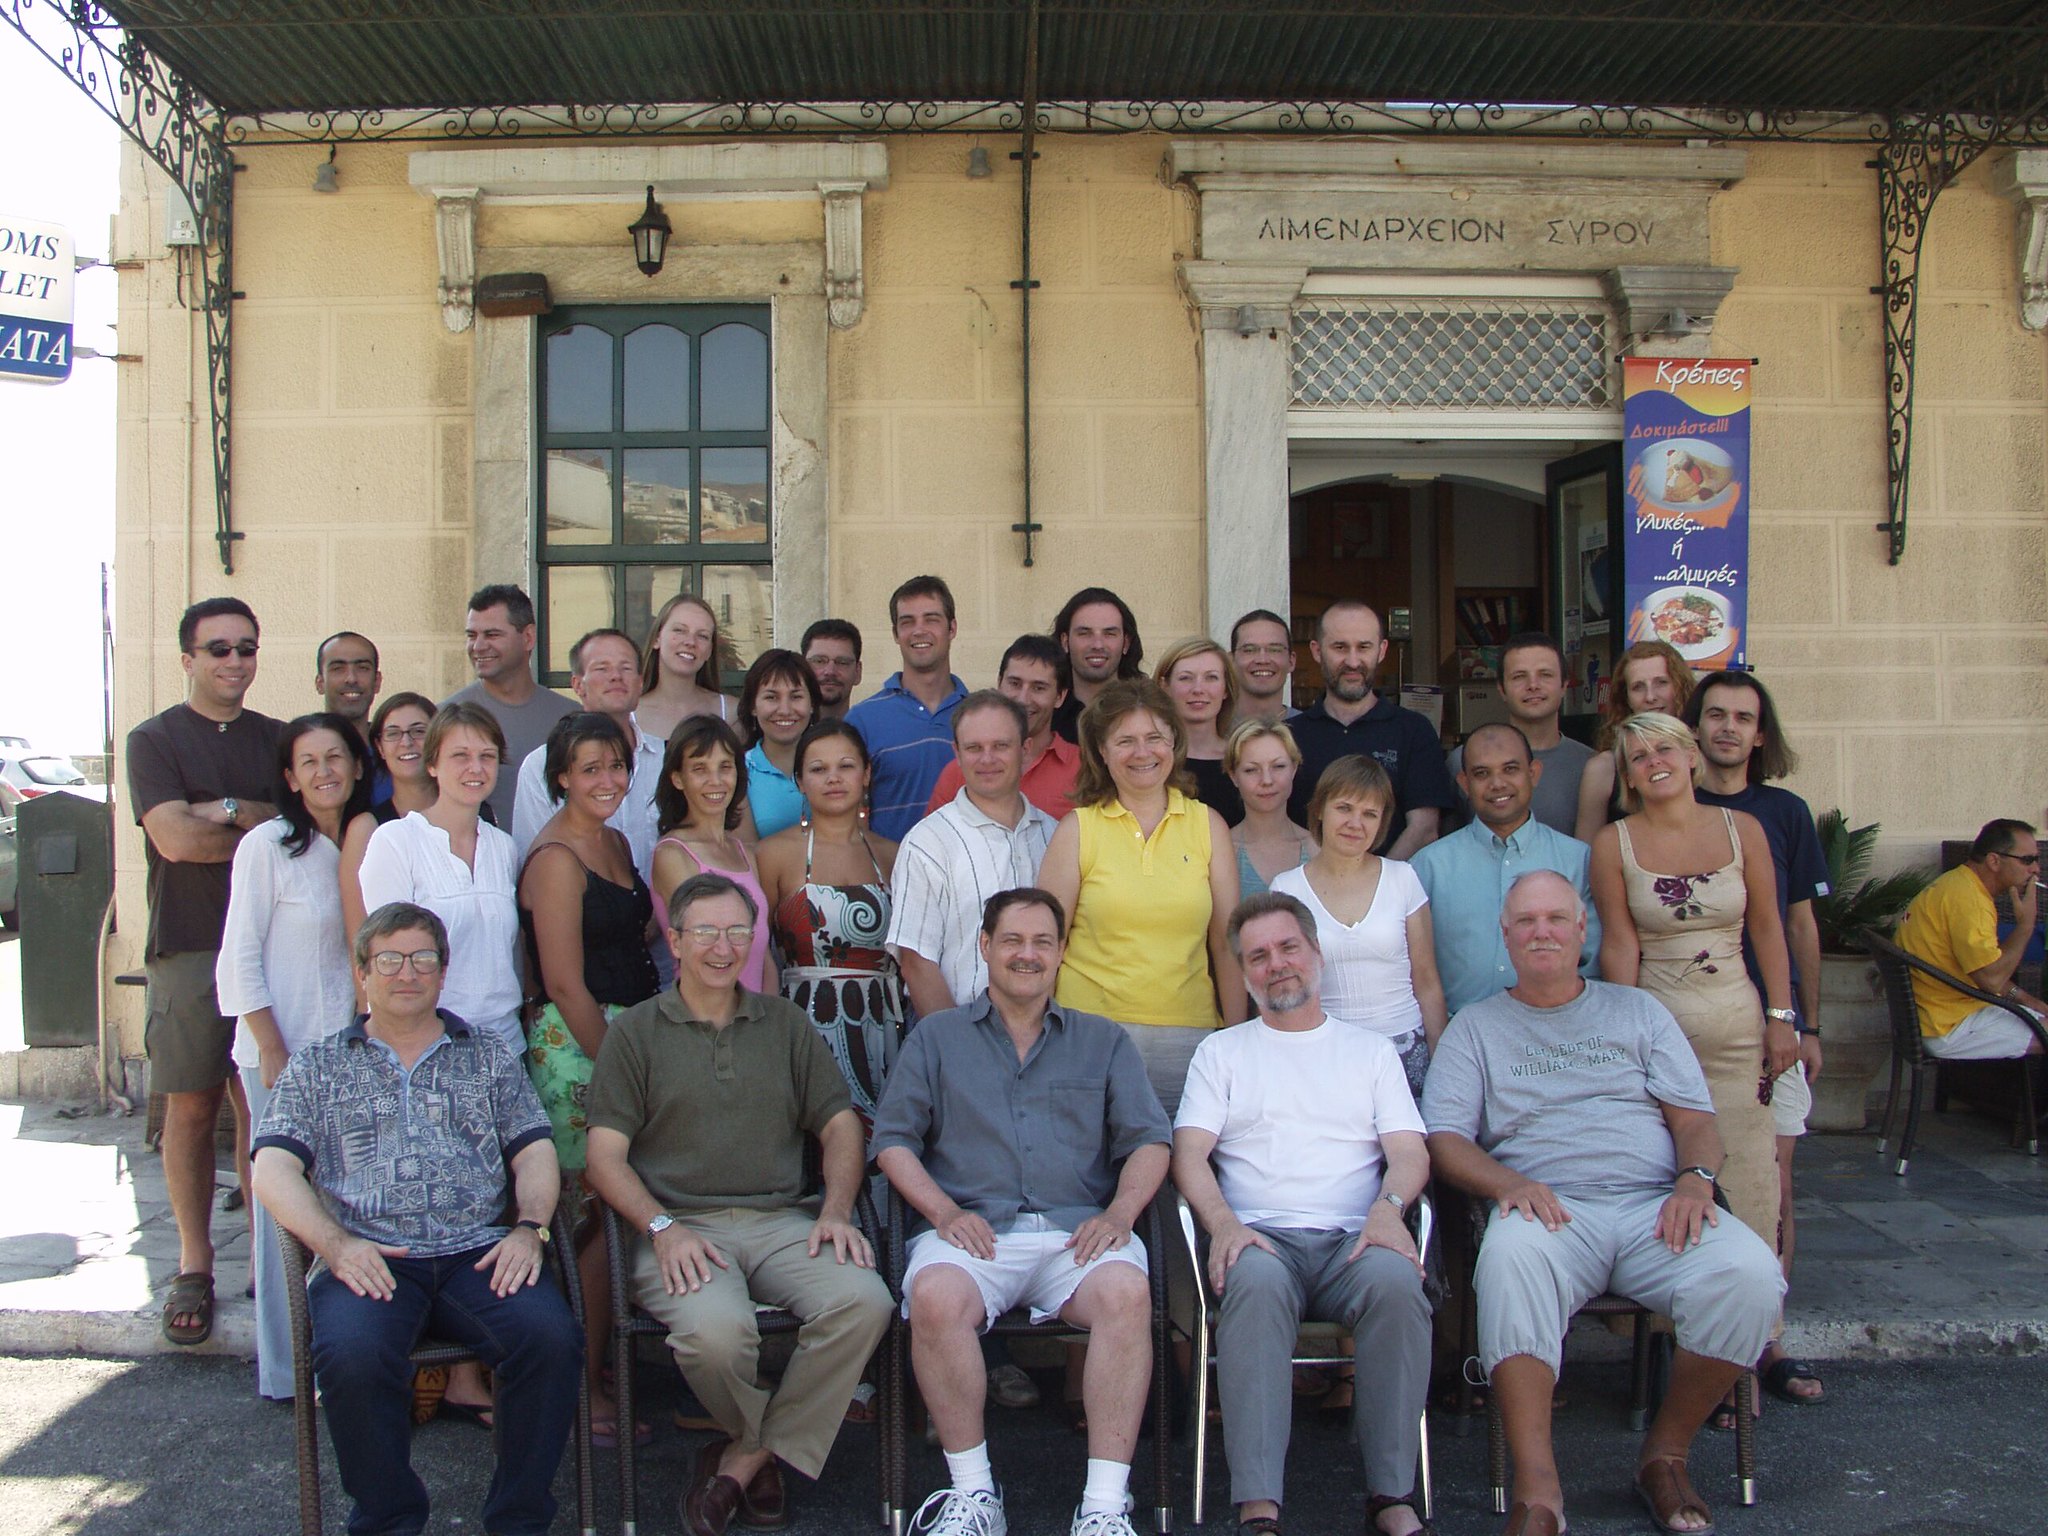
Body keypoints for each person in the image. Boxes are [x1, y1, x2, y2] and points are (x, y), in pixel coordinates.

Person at [1422, 871, 1785, 1536]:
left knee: (1752, 1275)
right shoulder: (1475, 1028)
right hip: (1549, 1214)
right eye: (1526, 921)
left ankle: (1666, 1455)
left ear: (1582, 929)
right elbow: (1444, 1140)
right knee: (1509, 1262)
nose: (1542, 932)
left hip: (1656, 1207)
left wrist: (1695, 1179)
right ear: (1506, 935)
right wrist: (1506, 1184)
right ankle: (1538, 1490)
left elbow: (1695, 1120)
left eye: (1556, 919)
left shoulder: (1637, 1012)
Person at [252, 901, 581, 1536]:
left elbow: (536, 1150)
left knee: (550, 1337)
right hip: (368, 1256)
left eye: (423, 959)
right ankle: (388, 1519)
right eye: (390, 960)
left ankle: (518, 1520)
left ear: (443, 971)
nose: (407, 973)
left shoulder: (487, 1056)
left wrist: (531, 1228)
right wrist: (335, 1245)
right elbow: (272, 1170)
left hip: (476, 1254)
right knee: (351, 1356)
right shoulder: (319, 1064)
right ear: (362, 973)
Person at [583, 873, 895, 1536]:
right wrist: (661, 1227)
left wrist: (836, 1209)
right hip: (679, 1227)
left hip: (782, 1220)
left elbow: (839, 1124)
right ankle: (764, 1453)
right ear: (674, 940)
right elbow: (604, 1158)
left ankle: (742, 1460)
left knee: (865, 1302)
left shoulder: (784, 1024)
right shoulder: (635, 1032)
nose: (723, 947)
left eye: (736, 931)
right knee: (718, 1338)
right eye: (705, 932)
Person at [874, 887, 1172, 1536]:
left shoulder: (1102, 1041)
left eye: (1042, 942)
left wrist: (1121, 1213)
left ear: (1062, 951)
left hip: (1077, 1234)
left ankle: (1103, 1506)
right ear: (984, 947)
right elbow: (892, 1140)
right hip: (972, 1232)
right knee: (934, 1298)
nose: (1027, 954)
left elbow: (1150, 1141)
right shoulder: (936, 1038)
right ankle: (975, 1496)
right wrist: (942, 1211)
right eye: (1012, 940)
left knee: (1127, 1295)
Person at [1173, 892, 1433, 1536]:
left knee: (1399, 1285)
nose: (1276, 965)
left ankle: (1392, 1496)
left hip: (1355, 1240)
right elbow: (1189, 1155)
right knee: (1254, 1285)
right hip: (1261, 1240)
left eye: (1288, 947)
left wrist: (1389, 1210)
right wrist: (1223, 1223)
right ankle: (1259, 1505)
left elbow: (1408, 1151)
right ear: (1243, 972)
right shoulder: (1222, 1053)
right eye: (1258, 956)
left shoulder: (1370, 1052)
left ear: (1316, 953)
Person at [1589, 710, 1796, 1432]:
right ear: (1626, 774)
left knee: (1753, 1189)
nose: (1654, 761)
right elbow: (1619, 946)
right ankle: (1678, 1353)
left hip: (1741, 1036)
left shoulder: (1744, 830)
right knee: (1674, 1192)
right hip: (1659, 1041)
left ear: (1690, 756)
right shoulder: (1613, 843)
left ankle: (1745, 1361)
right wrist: (1622, 1044)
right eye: (1637, 754)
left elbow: (1768, 926)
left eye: (1665, 748)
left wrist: (1783, 1017)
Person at [127, 596, 283, 1347]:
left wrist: (212, 812)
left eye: (246, 647)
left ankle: (265, 1255)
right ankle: (194, 1265)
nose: (234, 660)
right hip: (189, 944)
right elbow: (176, 842)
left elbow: (292, 830)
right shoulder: (153, 740)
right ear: (187, 658)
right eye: (218, 648)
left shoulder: (279, 738)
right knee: (189, 1108)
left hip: (268, 945)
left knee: (260, 1106)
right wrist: (243, 815)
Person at [1682, 670, 1832, 1408]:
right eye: (1715, 715)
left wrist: (1806, 1022)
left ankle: (1767, 1342)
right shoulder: (1667, 804)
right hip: (1690, 1026)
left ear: (1760, 734)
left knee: (1771, 1184)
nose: (1728, 728)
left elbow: (1798, 923)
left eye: (1743, 718)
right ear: (1695, 726)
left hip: (1771, 1028)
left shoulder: (1784, 813)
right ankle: (1701, 1357)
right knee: (1692, 1182)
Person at [519, 710, 662, 1444]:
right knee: (591, 1218)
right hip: (579, 1048)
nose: (608, 780)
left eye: (617, 765)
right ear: (561, 778)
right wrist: (619, 1071)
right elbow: (564, 983)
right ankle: (578, 1386)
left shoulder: (614, 841)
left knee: (616, 1213)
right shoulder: (555, 857)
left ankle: (601, 1367)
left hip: (628, 1034)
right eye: (590, 769)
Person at [217, 711, 369, 1398]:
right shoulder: (268, 846)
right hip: (280, 1054)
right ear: (290, 777)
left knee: (343, 1210)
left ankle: (343, 1361)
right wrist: (272, 1046)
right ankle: (286, 1372)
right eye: (308, 762)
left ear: (357, 766)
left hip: (349, 1055)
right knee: (284, 1211)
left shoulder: (369, 844)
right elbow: (238, 956)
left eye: (335, 757)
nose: (324, 772)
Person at [1038, 677, 1247, 1112]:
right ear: (1102, 750)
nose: (1142, 752)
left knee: (1182, 1154)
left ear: (1174, 741)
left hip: (1188, 1039)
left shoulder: (1209, 826)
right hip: (1088, 1037)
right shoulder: (1077, 830)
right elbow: (1046, 943)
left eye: (1154, 737)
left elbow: (1227, 946)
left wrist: (1238, 1039)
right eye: (1125, 741)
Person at [1272, 756, 1447, 1098]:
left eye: (1370, 814)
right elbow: (1283, 991)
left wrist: (1442, 1065)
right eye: (1344, 808)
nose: (1355, 823)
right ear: (1320, 809)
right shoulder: (1286, 889)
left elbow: (1427, 982)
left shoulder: (1403, 878)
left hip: (1404, 1049)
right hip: (1324, 1054)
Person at [760, 719, 905, 1130]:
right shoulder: (773, 854)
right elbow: (757, 951)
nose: (833, 778)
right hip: (803, 1022)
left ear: (866, 774)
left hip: (882, 1024)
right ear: (800, 781)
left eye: (846, 766)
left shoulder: (895, 855)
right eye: (818, 769)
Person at [359, 702, 524, 1053]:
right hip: (428, 1047)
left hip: (505, 1043)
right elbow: (386, 960)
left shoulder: (504, 848)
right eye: (460, 756)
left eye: (487, 756)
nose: (475, 768)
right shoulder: (396, 841)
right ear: (432, 764)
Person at [1412, 723, 1599, 1019]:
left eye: (1510, 769)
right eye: (1481, 773)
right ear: (1464, 783)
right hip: (1458, 1035)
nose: (1497, 783)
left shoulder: (1577, 860)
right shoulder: (1427, 867)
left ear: (1533, 773)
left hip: (1557, 1031)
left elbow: (1593, 964)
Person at [891, 692, 1059, 1019]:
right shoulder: (927, 842)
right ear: (956, 753)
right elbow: (916, 963)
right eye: (974, 748)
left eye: (1001, 746)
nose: (987, 759)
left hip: (1049, 1035)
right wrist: (959, 1045)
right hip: (960, 1030)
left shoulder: (1054, 836)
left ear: (1025, 750)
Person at [1286, 602, 1455, 859]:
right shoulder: (1289, 735)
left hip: (1389, 882)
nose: (1353, 662)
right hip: (1306, 882)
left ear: (1382, 650)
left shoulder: (1414, 730)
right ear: (1317, 651)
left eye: (1364, 647)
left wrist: (1375, 880)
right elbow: (1277, 826)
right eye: (1340, 647)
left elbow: (1424, 829)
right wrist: (1319, 878)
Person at [339, 691, 499, 948]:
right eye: (393, 733)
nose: (406, 742)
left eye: (418, 731)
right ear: (379, 747)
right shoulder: (369, 829)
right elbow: (362, 940)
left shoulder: (484, 820)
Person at [511, 628, 666, 881]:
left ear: (640, 683)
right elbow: (532, 862)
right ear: (577, 685)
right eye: (602, 668)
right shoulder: (541, 765)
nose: (615, 676)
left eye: (626, 668)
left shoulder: (666, 759)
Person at [1896, 818, 2048, 1058]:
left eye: (2036, 860)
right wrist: (2026, 925)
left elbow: (1983, 968)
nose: (2036, 869)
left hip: (1943, 1013)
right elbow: (1992, 981)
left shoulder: (1959, 883)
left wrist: (2028, 1000)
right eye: (2027, 860)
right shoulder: (1969, 902)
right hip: (1949, 1024)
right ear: (1994, 861)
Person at [652, 716, 777, 994]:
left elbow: (763, 951)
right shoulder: (673, 854)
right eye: (700, 769)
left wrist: (768, 1012)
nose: (716, 780)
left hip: (756, 1011)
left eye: (725, 767)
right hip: (704, 1014)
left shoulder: (744, 853)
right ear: (677, 778)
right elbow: (704, 947)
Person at [846, 575, 968, 842]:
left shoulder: (979, 717)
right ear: (895, 634)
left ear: (952, 628)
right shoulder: (862, 720)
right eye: (907, 622)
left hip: (968, 866)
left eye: (931, 619)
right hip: (891, 866)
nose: (918, 630)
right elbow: (847, 813)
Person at [446, 584, 578, 829]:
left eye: (492, 635)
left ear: (528, 637)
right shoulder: (446, 718)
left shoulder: (571, 719)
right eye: (472, 636)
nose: (478, 646)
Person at [1445, 635, 1591, 838]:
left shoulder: (1590, 764)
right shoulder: (1464, 761)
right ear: (1502, 689)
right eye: (1519, 676)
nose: (1533, 685)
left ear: (1564, 685)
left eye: (1545, 675)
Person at [926, 633, 1081, 819]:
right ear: (999, 683)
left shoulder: (1083, 770)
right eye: (1015, 683)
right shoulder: (960, 771)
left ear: (1060, 696)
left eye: (1039, 688)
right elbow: (934, 833)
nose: (1023, 699)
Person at [1572, 639, 1695, 844]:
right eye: (1638, 687)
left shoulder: (1704, 752)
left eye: (1661, 682)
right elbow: (1586, 852)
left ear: (1679, 686)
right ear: (1626, 698)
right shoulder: (1604, 767)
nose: (1650, 696)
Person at [1155, 636, 1245, 826]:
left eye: (1211, 678)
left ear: (1226, 689)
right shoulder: (1150, 760)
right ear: (1165, 686)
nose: (1198, 689)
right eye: (1185, 678)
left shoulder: (1243, 759)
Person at [1224, 719, 1314, 898]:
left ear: (1294, 769)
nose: (1266, 780)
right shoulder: (1221, 852)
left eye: (1278, 766)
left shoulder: (1318, 849)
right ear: (1233, 776)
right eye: (1251, 770)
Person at [739, 648, 821, 840]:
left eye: (796, 697)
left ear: (812, 705)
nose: (784, 710)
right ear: (753, 706)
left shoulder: (834, 766)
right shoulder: (739, 771)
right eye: (771, 697)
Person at [636, 592, 739, 745]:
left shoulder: (732, 714)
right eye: (679, 630)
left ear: (709, 651)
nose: (690, 642)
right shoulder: (630, 715)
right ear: (657, 638)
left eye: (702, 636)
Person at [1052, 588, 1145, 744]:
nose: (1097, 645)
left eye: (1109, 634)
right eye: (1084, 633)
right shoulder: (1045, 717)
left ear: (1126, 643)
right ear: (1065, 641)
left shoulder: (1149, 712)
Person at [314, 631, 385, 800]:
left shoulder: (395, 755)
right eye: (338, 669)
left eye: (362, 668)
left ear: (377, 681)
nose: (351, 678)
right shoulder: (298, 754)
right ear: (320, 683)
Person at [1230, 609, 1297, 725]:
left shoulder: (1311, 730)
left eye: (1274, 650)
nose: (1262, 660)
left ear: (1291, 661)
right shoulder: (1214, 729)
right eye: (1249, 650)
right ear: (1231, 661)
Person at [802, 618, 865, 721]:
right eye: (819, 661)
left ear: (858, 672)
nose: (830, 671)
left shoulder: (871, 730)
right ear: (803, 667)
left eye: (842, 662)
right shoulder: (782, 730)